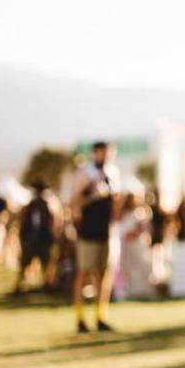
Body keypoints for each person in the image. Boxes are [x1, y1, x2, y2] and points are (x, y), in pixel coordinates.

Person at [70, 141, 120, 333]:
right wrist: (94, 197)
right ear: (96, 153)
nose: (106, 156)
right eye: (103, 152)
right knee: (83, 273)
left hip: (107, 231)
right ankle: (80, 318)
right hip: (88, 231)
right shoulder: (86, 174)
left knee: (104, 274)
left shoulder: (113, 174)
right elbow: (73, 202)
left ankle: (101, 317)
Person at [13, 180, 57, 294]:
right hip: (30, 240)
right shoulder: (29, 207)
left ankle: (47, 284)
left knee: (46, 264)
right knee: (25, 263)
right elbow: (22, 221)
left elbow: (52, 222)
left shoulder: (47, 206)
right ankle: (19, 286)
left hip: (43, 240)